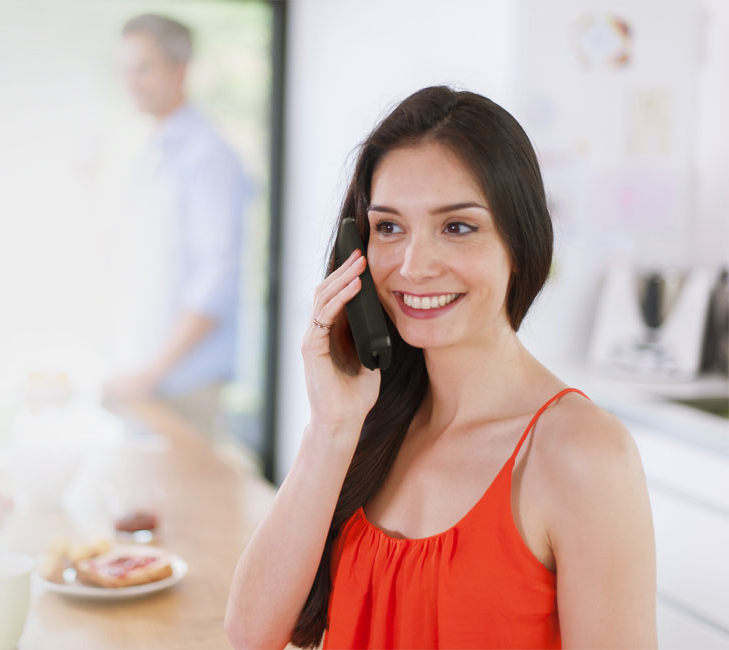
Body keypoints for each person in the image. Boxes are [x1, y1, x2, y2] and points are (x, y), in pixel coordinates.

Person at [225, 86, 656, 649]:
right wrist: (330, 429)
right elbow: (250, 636)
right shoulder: (365, 426)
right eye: (388, 227)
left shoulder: (581, 453)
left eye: (456, 227)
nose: (413, 265)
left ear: (519, 241)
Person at [101, 13, 249, 439]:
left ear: (179, 69)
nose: (130, 81)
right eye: (125, 69)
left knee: (182, 501)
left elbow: (216, 283)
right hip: (143, 378)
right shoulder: (150, 148)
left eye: (143, 68)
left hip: (182, 386)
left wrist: (150, 373)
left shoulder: (207, 155)